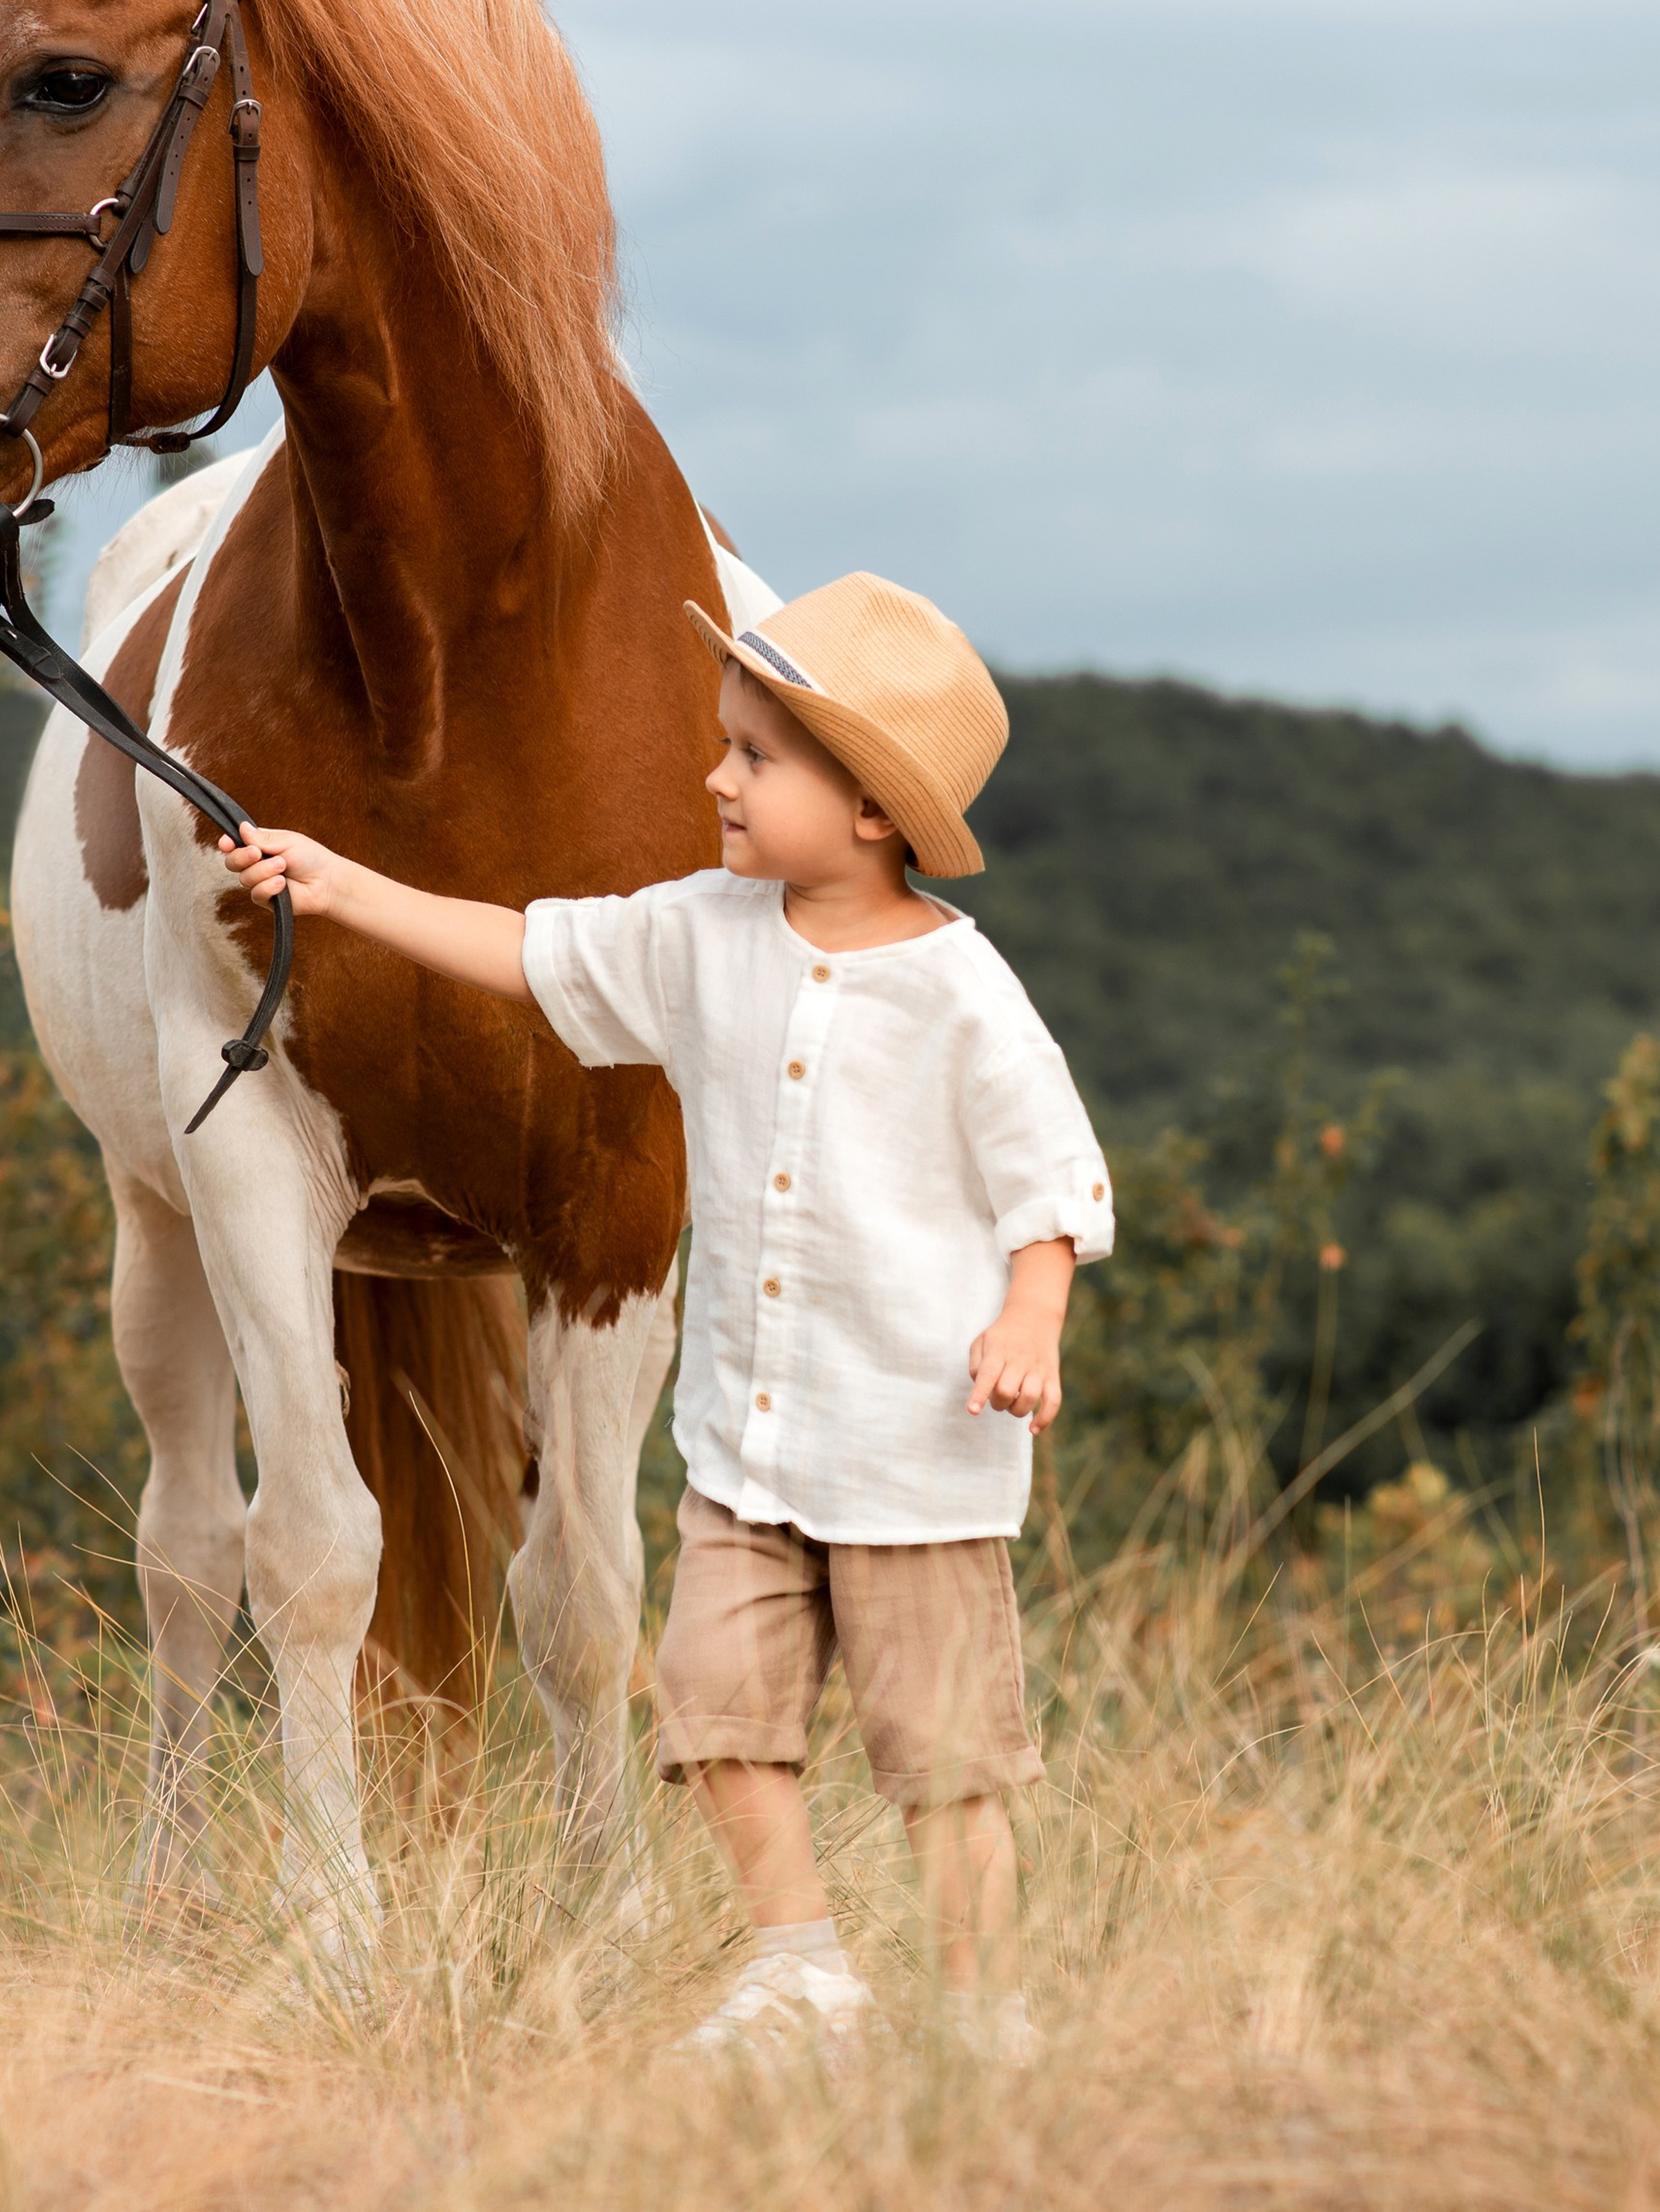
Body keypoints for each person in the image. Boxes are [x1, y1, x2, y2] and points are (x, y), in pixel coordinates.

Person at [219, 571, 1114, 2056]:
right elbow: (527, 951)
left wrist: (1032, 1318)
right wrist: (341, 884)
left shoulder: (962, 993)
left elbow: (1055, 1184)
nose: (715, 776)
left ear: (874, 810)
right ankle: (799, 1969)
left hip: (914, 1462)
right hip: (745, 1454)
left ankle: (979, 2010)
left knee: (944, 1760)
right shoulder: (701, 935)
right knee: (709, 1713)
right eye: (724, 744)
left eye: (756, 757)